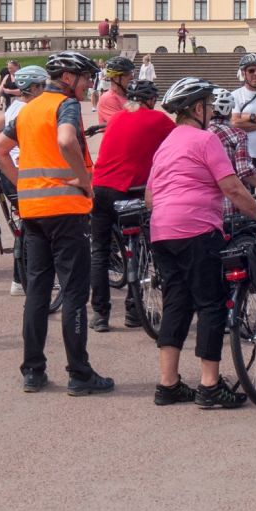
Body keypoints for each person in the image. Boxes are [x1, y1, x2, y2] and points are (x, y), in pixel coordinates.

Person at [0, 51, 112, 396]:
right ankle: (79, 372)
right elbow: (65, 140)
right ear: (70, 77)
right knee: (74, 290)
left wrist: (22, 185)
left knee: (38, 290)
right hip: (66, 208)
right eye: (87, 78)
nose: (89, 83)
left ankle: (33, 370)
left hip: (33, 210)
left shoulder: (28, 109)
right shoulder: (65, 104)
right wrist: (83, 180)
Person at [147, 77, 256, 408]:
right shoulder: (205, 139)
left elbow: (150, 197)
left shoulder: (166, 143)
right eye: (210, 107)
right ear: (197, 109)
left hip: (162, 232)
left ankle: (168, 383)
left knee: (176, 303)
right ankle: (210, 385)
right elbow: (233, 188)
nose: (213, 113)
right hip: (197, 230)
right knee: (211, 303)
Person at [89, 79, 172, 331]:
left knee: (99, 252)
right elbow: (181, 140)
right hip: (128, 190)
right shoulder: (158, 119)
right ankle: (134, 309)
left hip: (99, 187)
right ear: (149, 100)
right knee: (142, 245)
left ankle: (100, 314)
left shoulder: (116, 118)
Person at [0, 65, 50, 295]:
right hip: (21, 172)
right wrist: (13, 154)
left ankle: (21, 278)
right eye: (44, 86)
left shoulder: (16, 106)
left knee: (27, 225)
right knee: (32, 225)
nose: (47, 90)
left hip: (11, 171)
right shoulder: (29, 110)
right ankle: (21, 278)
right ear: (33, 88)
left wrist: (4, 154)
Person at [208, 88, 256, 194]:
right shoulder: (237, 134)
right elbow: (244, 170)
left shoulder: (200, 132)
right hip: (234, 203)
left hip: (208, 202)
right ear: (228, 110)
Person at [96, 56, 135, 128]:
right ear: (116, 78)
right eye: (127, 74)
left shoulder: (128, 96)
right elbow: (123, 126)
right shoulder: (108, 99)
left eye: (132, 73)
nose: (132, 77)